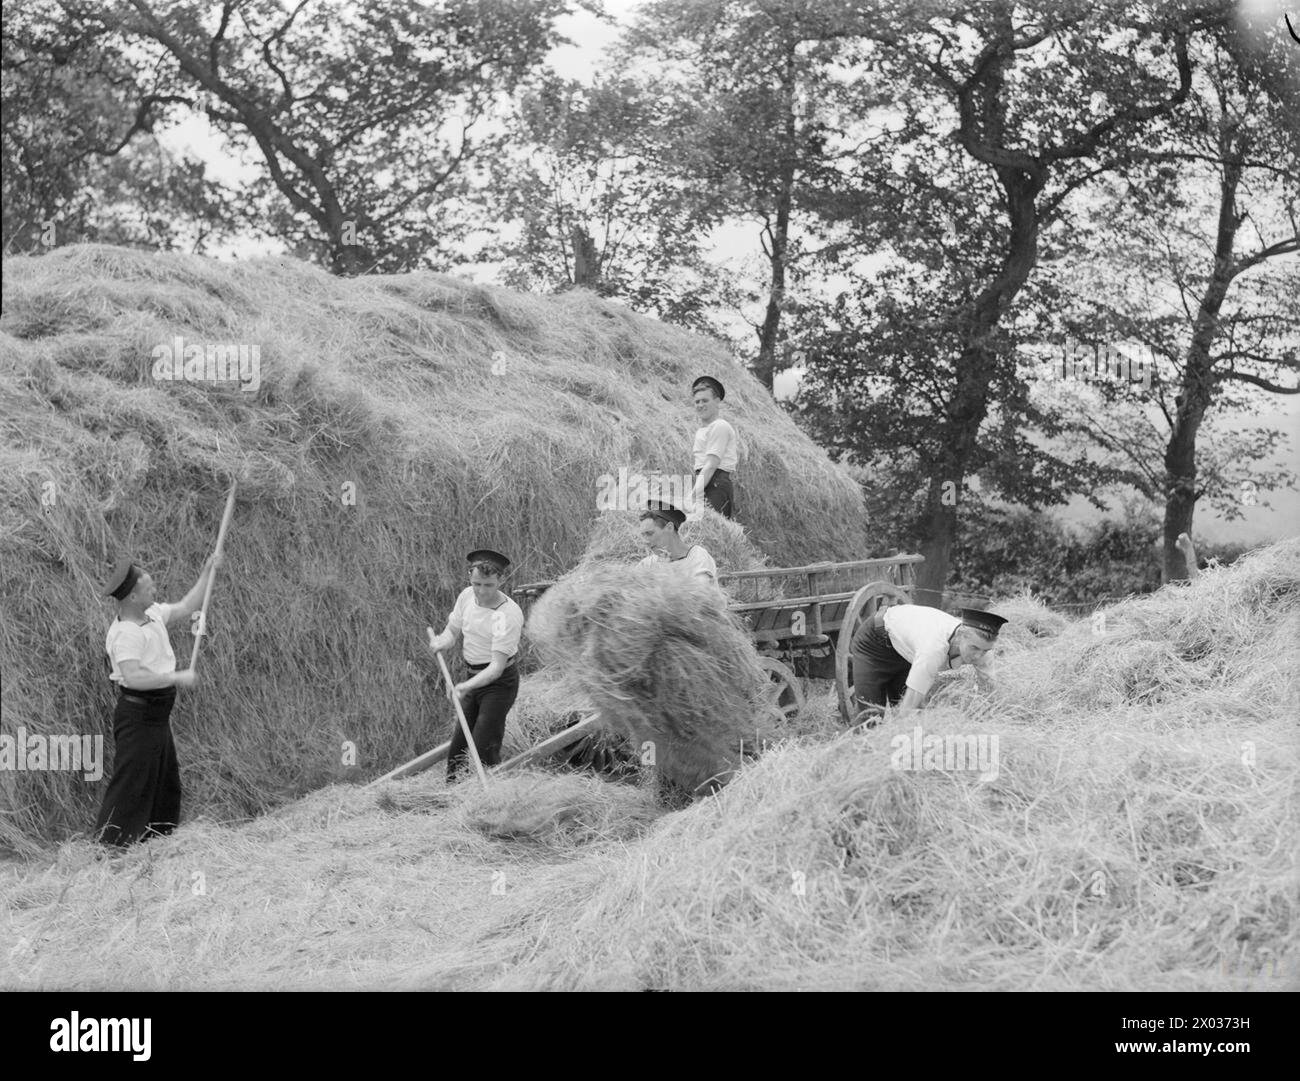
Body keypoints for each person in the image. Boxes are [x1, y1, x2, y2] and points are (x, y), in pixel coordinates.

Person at [95, 553, 220, 846]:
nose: (155, 590)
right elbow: (135, 677)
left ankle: (158, 839)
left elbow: (188, 606)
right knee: (130, 784)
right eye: (149, 587)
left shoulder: (151, 614)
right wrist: (176, 677)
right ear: (133, 596)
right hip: (138, 717)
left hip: (156, 716)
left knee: (165, 781)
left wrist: (207, 573)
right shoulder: (125, 633)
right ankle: (109, 848)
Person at [428, 548, 524, 781]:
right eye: (476, 584)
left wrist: (465, 687)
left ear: (501, 580)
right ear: (470, 579)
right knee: (458, 750)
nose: (481, 591)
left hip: (499, 685)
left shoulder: (505, 615)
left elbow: (496, 668)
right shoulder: (466, 597)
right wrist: (442, 641)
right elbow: (453, 630)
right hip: (473, 676)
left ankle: (490, 797)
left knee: (483, 748)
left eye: (488, 585)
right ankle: (453, 796)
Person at [849, 604, 1007, 719]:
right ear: (961, 635)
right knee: (871, 717)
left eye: (985, 650)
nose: (978, 656)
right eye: (974, 648)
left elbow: (990, 690)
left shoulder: (983, 651)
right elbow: (908, 708)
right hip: (876, 643)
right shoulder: (933, 648)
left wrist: (995, 718)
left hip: (909, 653)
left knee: (917, 715)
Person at [688, 375, 738, 520]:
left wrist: (692, 495)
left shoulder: (720, 426)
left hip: (716, 483)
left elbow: (711, 465)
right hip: (704, 481)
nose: (700, 405)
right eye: (697, 402)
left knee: (713, 531)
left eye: (705, 400)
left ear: (717, 402)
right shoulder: (702, 430)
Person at [637, 501, 718, 586]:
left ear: (669, 528)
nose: (645, 541)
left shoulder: (698, 558)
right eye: (643, 535)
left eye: (649, 533)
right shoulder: (649, 564)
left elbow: (698, 595)